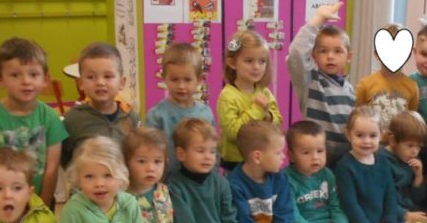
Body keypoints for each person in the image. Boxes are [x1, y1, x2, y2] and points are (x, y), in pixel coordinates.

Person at [0, 38, 66, 207]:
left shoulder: (50, 117)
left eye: (34, 74)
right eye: (15, 75)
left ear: (45, 78)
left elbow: (52, 168)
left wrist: (41, 205)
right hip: (4, 202)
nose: (26, 81)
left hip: (41, 199)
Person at [288, 1, 354, 166]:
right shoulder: (310, 80)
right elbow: (297, 53)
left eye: (337, 51)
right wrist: (317, 20)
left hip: (343, 161)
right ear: (314, 55)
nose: (330, 56)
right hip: (314, 160)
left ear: (348, 57)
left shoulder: (351, 90)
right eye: (323, 51)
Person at [61, 42, 140, 168]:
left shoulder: (131, 118)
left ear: (121, 82)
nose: (100, 82)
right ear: (80, 83)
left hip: (122, 186)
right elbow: (65, 161)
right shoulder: (72, 120)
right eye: (91, 77)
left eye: (108, 76)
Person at [285, 120, 351, 223]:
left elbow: (336, 206)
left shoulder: (327, 175)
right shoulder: (287, 180)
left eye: (320, 151)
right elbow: (293, 218)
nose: (315, 157)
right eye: (306, 152)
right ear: (291, 155)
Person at [146, 42, 214, 175]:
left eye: (187, 80)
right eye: (174, 79)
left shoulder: (205, 113)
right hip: (167, 182)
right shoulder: (157, 115)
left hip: (199, 181)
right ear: (164, 78)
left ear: (199, 79)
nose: (181, 86)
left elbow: (213, 149)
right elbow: (149, 152)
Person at [217, 30, 282, 169]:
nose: (256, 67)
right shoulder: (228, 96)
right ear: (232, 63)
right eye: (249, 61)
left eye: (262, 61)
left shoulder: (264, 92)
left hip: (262, 160)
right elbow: (234, 133)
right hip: (236, 163)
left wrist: (268, 116)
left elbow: (277, 123)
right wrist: (257, 110)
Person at [335, 106, 401, 223]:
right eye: (359, 135)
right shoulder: (345, 166)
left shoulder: (383, 160)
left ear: (381, 135)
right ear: (348, 135)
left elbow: (390, 195)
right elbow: (350, 204)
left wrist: (389, 222)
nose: (366, 141)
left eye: (373, 135)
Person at [354, 23, 420, 133]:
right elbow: (358, 119)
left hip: (400, 145)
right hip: (373, 144)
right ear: (377, 53)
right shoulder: (365, 84)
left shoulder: (412, 87)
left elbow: (411, 122)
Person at [380, 110, 427, 223]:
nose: (415, 152)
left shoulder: (410, 159)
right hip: (392, 216)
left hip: (411, 211)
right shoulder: (381, 161)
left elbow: (418, 198)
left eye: (419, 147)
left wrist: (418, 177)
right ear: (392, 140)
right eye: (410, 145)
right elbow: (381, 201)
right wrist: (405, 214)